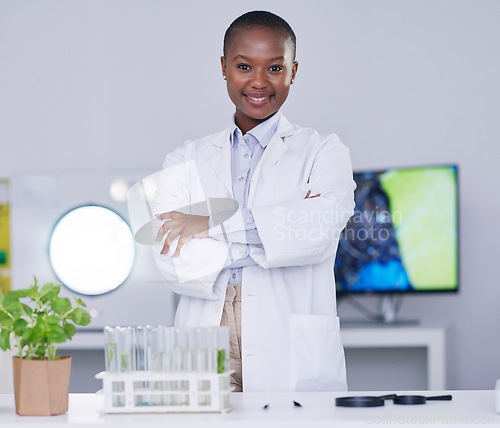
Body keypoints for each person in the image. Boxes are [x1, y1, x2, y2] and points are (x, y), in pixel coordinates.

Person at [153, 10, 355, 392]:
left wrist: (209, 226)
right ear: (224, 67)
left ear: (293, 71)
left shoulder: (323, 151)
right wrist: (279, 228)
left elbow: (319, 232)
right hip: (205, 334)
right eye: (244, 66)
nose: (259, 82)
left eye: (275, 68)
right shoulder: (186, 158)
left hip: (290, 339)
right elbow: (169, 260)